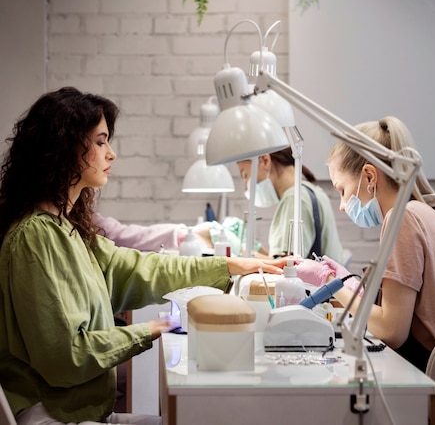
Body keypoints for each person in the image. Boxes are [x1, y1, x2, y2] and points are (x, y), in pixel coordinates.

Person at [0, 86, 286, 425]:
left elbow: (139, 268)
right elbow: (65, 357)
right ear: (65, 147)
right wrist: (151, 328)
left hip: (79, 409)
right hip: (52, 416)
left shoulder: (68, 231)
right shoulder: (34, 238)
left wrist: (227, 266)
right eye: (101, 141)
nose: (111, 154)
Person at [295, 115, 435, 372]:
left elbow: (391, 330)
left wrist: (332, 285)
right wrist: (352, 285)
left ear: (369, 176)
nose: (342, 207)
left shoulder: (403, 218)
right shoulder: (427, 211)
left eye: (342, 190)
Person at [237, 147, 344, 263]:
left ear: (265, 161)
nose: (246, 188)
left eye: (245, 175)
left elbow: (287, 266)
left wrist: (243, 255)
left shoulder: (294, 199)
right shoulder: (313, 191)